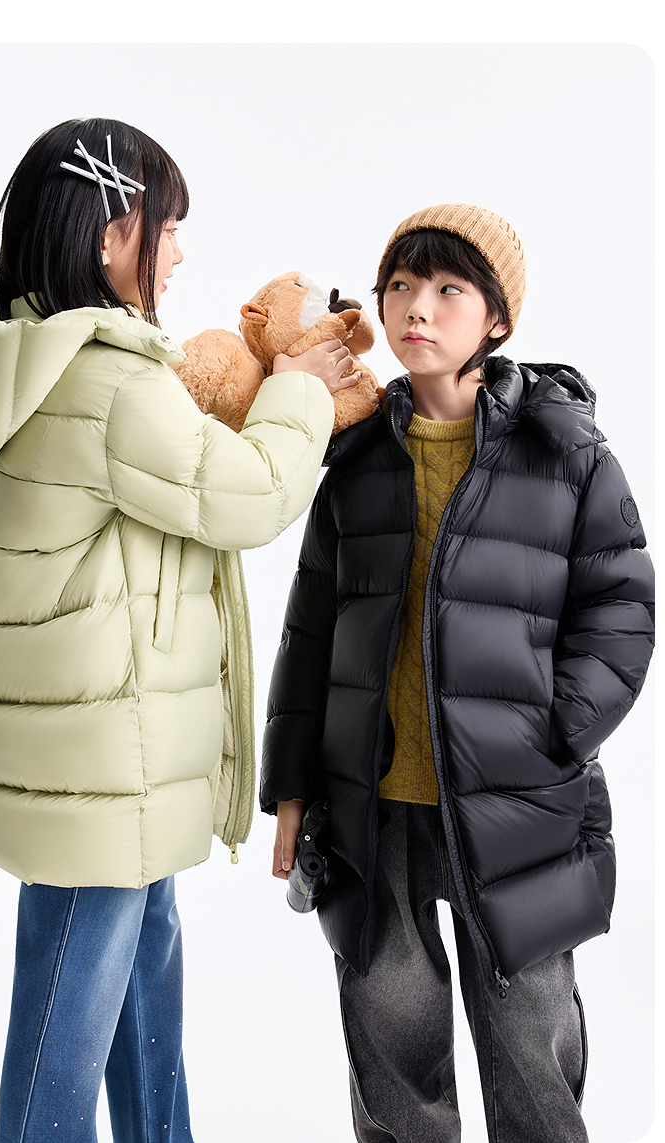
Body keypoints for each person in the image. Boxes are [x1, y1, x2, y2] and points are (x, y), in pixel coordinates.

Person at [0, 116, 359, 1143]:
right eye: (165, 228)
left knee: (136, 981)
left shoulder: (46, 361)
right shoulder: (110, 384)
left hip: (100, 754)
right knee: (69, 1015)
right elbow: (248, 494)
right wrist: (300, 389)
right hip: (105, 758)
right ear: (107, 234)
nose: (177, 253)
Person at [261, 203, 655, 1143]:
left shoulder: (564, 450)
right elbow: (309, 630)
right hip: (375, 807)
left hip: (516, 805)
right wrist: (292, 787)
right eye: (400, 285)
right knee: (392, 1051)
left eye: (447, 289)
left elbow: (622, 609)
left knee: (531, 1052)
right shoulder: (356, 457)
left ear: (498, 319)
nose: (416, 309)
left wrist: (556, 731)